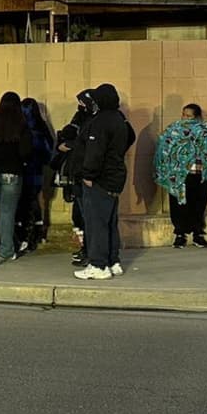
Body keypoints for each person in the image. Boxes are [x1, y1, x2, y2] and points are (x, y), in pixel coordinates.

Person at [73, 83, 135, 280]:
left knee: (96, 222)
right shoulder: (119, 118)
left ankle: (98, 265)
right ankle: (112, 260)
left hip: (100, 178)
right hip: (115, 176)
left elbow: (95, 151)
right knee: (109, 221)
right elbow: (129, 137)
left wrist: (88, 174)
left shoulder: (100, 121)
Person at [154, 104, 207, 249]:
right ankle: (180, 234)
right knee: (178, 204)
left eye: (189, 116)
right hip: (179, 175)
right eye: (184, 115)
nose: (185, 118)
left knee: (199, 203)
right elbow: (164, 147)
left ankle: (198, 233)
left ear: (197, 117)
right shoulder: (173, 130)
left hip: (201, 173)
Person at [0, 92, 32, 260]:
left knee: (3, 211)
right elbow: (26, 151)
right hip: (12, 171)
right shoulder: (21, 125)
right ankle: (7, 249)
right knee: (7, 212)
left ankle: (10, 244)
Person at [54, 90, 94, 265]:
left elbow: (88, 144)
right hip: (77, 174)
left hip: (88, 174)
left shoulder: (98, 120)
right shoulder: (81, 117)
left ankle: (91, 251)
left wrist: (71, 144)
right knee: (79, 215)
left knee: (88, 215)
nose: (81, 107)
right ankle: (84, 248)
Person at [17, 97, 55, 251]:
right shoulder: (41, 126)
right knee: (34, 199)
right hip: (37, 168)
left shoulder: (20, 126)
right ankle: (38, 232)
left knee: (25, 201)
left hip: (23, 169)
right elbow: (49, 147)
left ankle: (27, 234)